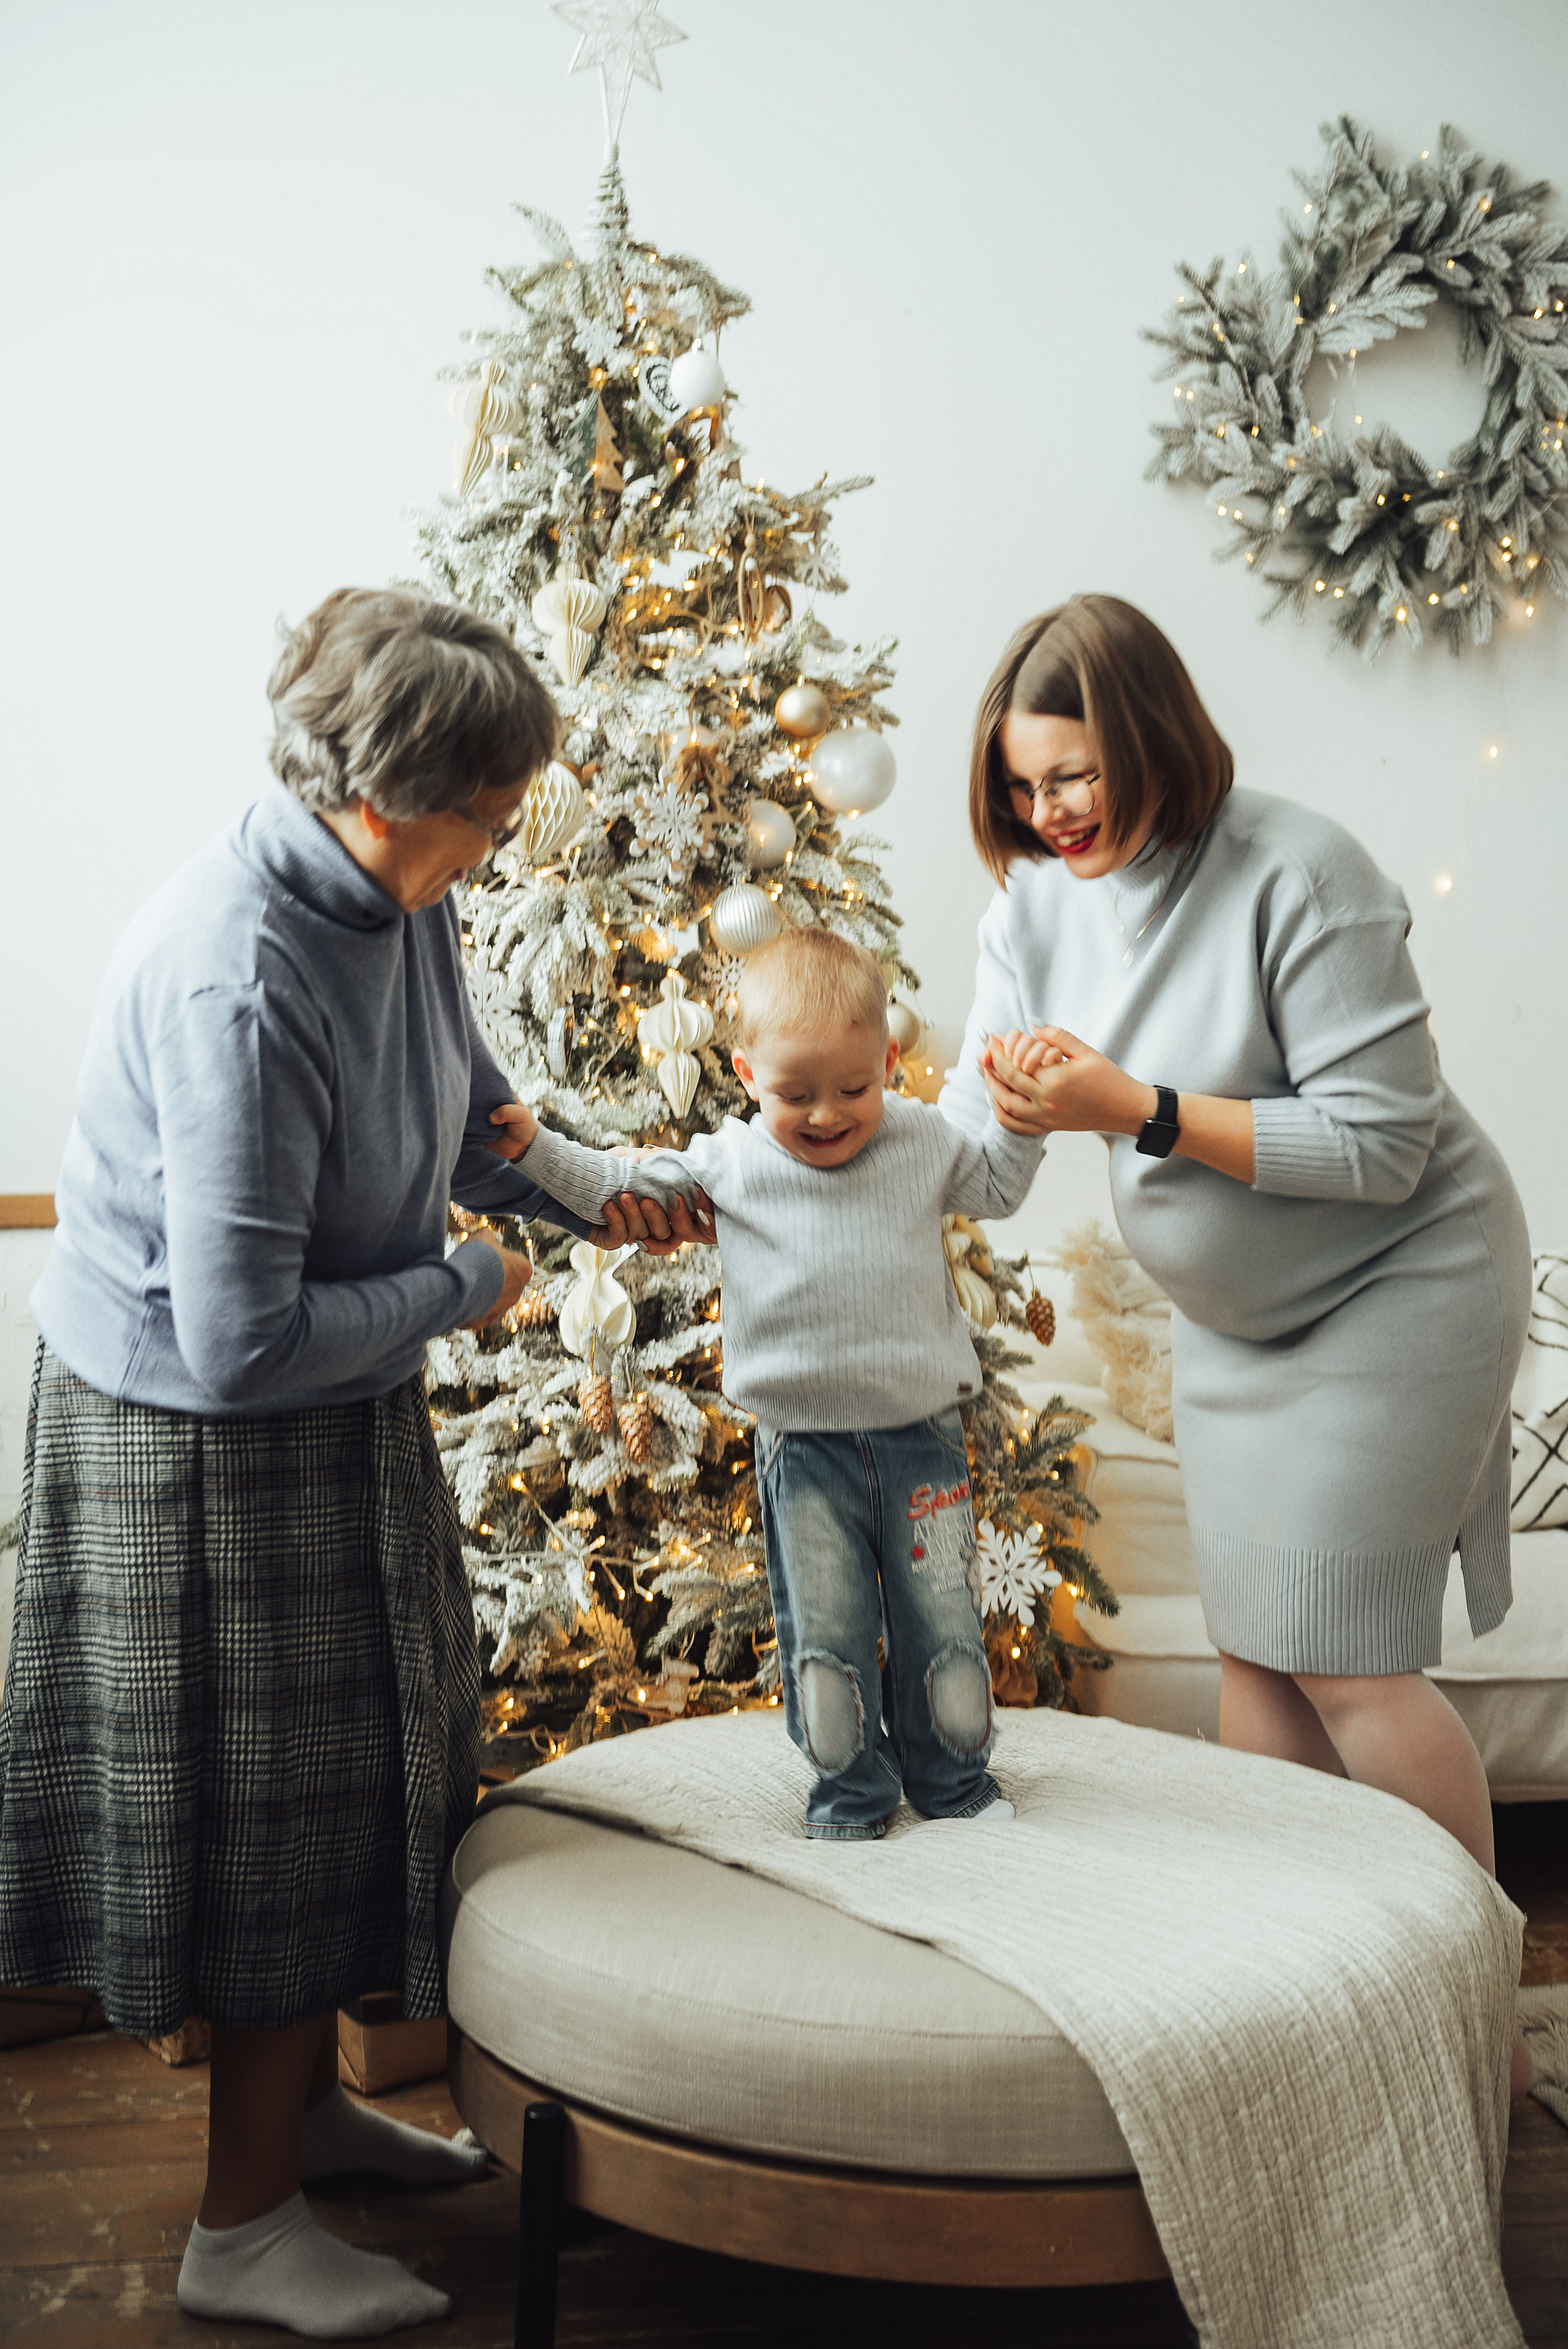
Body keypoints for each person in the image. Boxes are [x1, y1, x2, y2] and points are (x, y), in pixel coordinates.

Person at [0, 586, 703, 2339]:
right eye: (489, 809)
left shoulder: (400, 899)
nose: (503, 838)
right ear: (392, 795)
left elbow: (473, 1113)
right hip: (195, 1440)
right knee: (269, 1819)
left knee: (339, 1788)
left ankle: (301, 2113)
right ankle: (240, 2228)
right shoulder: (238, 978)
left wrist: (603, 1178)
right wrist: (470, 1285)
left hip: (312, 1403)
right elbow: (239, 1339)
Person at [944, 596, 1531, 2070]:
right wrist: (825, 1139)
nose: (1046, 812)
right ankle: (1314, 1995)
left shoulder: (1298, 870)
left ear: (1151, 738)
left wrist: (1131, 1105)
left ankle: (1472, 2011)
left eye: (1072, 776)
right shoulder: (1028, 910)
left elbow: (1378, 1149)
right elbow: (989, 1160)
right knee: (1257, 1657)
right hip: (1236, 1317)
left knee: (1347, 1665)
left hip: (1402, 1277)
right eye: (1022, 785)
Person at [488, 928, 1041, 1838]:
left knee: (942, 1624)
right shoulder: (734, 1162)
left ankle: (953, 1783)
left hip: (924, 1440)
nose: (826, 1114)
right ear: (746, 1072)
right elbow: (619, 1187)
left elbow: (997, 1185)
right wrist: (537, 1150)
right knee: (826, 1635)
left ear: (890, 1061)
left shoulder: (920, 1137)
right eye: (795, 1094)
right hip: (804, 1449)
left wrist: (1020, 1120)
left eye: (853, 1088)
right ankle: (851, 1794)